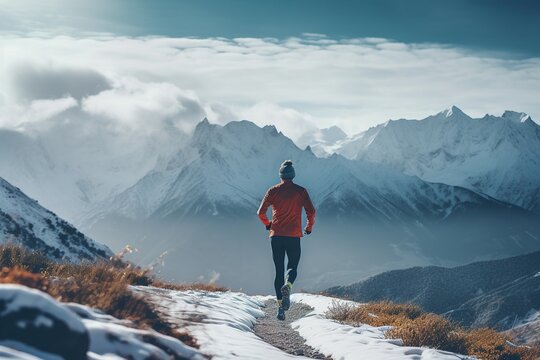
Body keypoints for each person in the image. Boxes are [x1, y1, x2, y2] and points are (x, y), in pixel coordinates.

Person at [257, 160, 316, 320]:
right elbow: (311, 211)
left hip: (276, 236)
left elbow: (260, 213)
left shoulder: (272, 191)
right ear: (293, 175)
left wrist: (268, 224)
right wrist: (309, 227)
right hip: (294, 236)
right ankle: (288, 285)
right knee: (292, 267)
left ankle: (280, 309)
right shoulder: (301, 192)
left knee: (278, 271)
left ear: (281, 175)